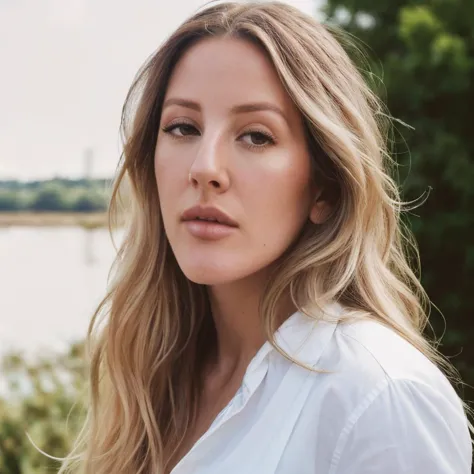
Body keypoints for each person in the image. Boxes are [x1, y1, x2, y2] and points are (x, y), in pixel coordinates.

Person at [57, 1, 473, 473]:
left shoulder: (381, 398)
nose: (205, 168)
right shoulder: (156, 382)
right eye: (183, 127)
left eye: (256, 136)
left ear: (326, 188)